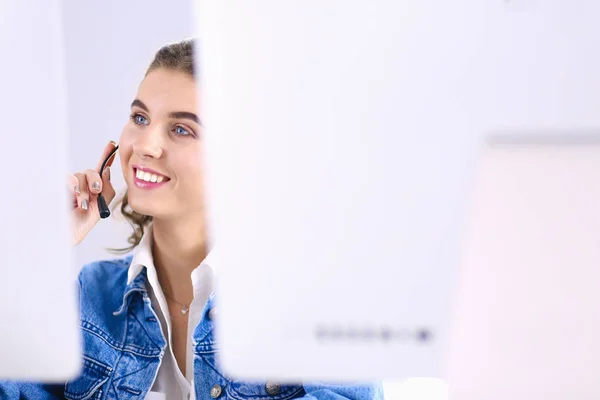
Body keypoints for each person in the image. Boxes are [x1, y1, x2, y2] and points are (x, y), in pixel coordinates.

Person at [0, 39, 384, 400]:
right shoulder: (92, 296)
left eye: (182, 129)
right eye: (139, 117)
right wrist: (36, 251)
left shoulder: (313, 298)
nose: (145, 145)